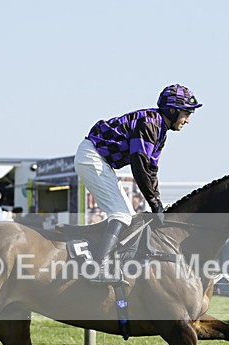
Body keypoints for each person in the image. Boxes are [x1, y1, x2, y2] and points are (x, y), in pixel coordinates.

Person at [74, 84, 202, 282]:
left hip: (100, 160)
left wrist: (158, 202)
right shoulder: (150, 124)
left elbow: (151, 171)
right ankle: (99, 267)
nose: (188, 120)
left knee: (130, 218)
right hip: (92, 157)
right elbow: (139, 166)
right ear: (173, 109)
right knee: (121, 215)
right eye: (186, 113)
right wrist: (155, 204)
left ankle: (113, 263)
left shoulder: (160, 130)